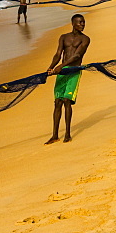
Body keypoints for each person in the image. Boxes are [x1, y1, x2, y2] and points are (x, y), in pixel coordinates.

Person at [45, 14, 90, 144]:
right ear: (73, 23)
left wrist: (61, 66)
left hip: (74, 71)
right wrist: (51, 67)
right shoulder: (63, 37)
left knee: (67, 101)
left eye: (83, 22)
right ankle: (54, 135)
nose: (82, 24)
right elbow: (58, 54)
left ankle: (68, 134)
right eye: (80, 22)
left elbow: (77, 55)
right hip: (61, 72)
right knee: (57, 102)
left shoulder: (85, 39)